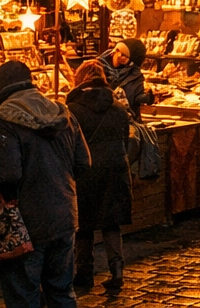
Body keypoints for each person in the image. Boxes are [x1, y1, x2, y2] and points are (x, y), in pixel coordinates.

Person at [0, 60, 90, 308]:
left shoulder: (4, 121)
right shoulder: (63, 112)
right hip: (64, 215)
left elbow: (5, 175)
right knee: (62, 291)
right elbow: (83, 163)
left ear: (1, 87)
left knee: (23, 295)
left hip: (25, 222)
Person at [66, 61, 132, 292]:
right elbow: (126, 141)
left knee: (84, 222)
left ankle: (84, 272)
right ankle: (117, 270)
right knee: (111, 221)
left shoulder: (73, 109)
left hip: (86, 170)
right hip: (115, 168)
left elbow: (69, 145)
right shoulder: (118, 108)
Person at [105, 38, 152, 117]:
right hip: (105, 119)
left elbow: (136, 96)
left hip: (127, 119)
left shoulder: (135, 75)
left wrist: (147, 98)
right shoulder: (98, 67)